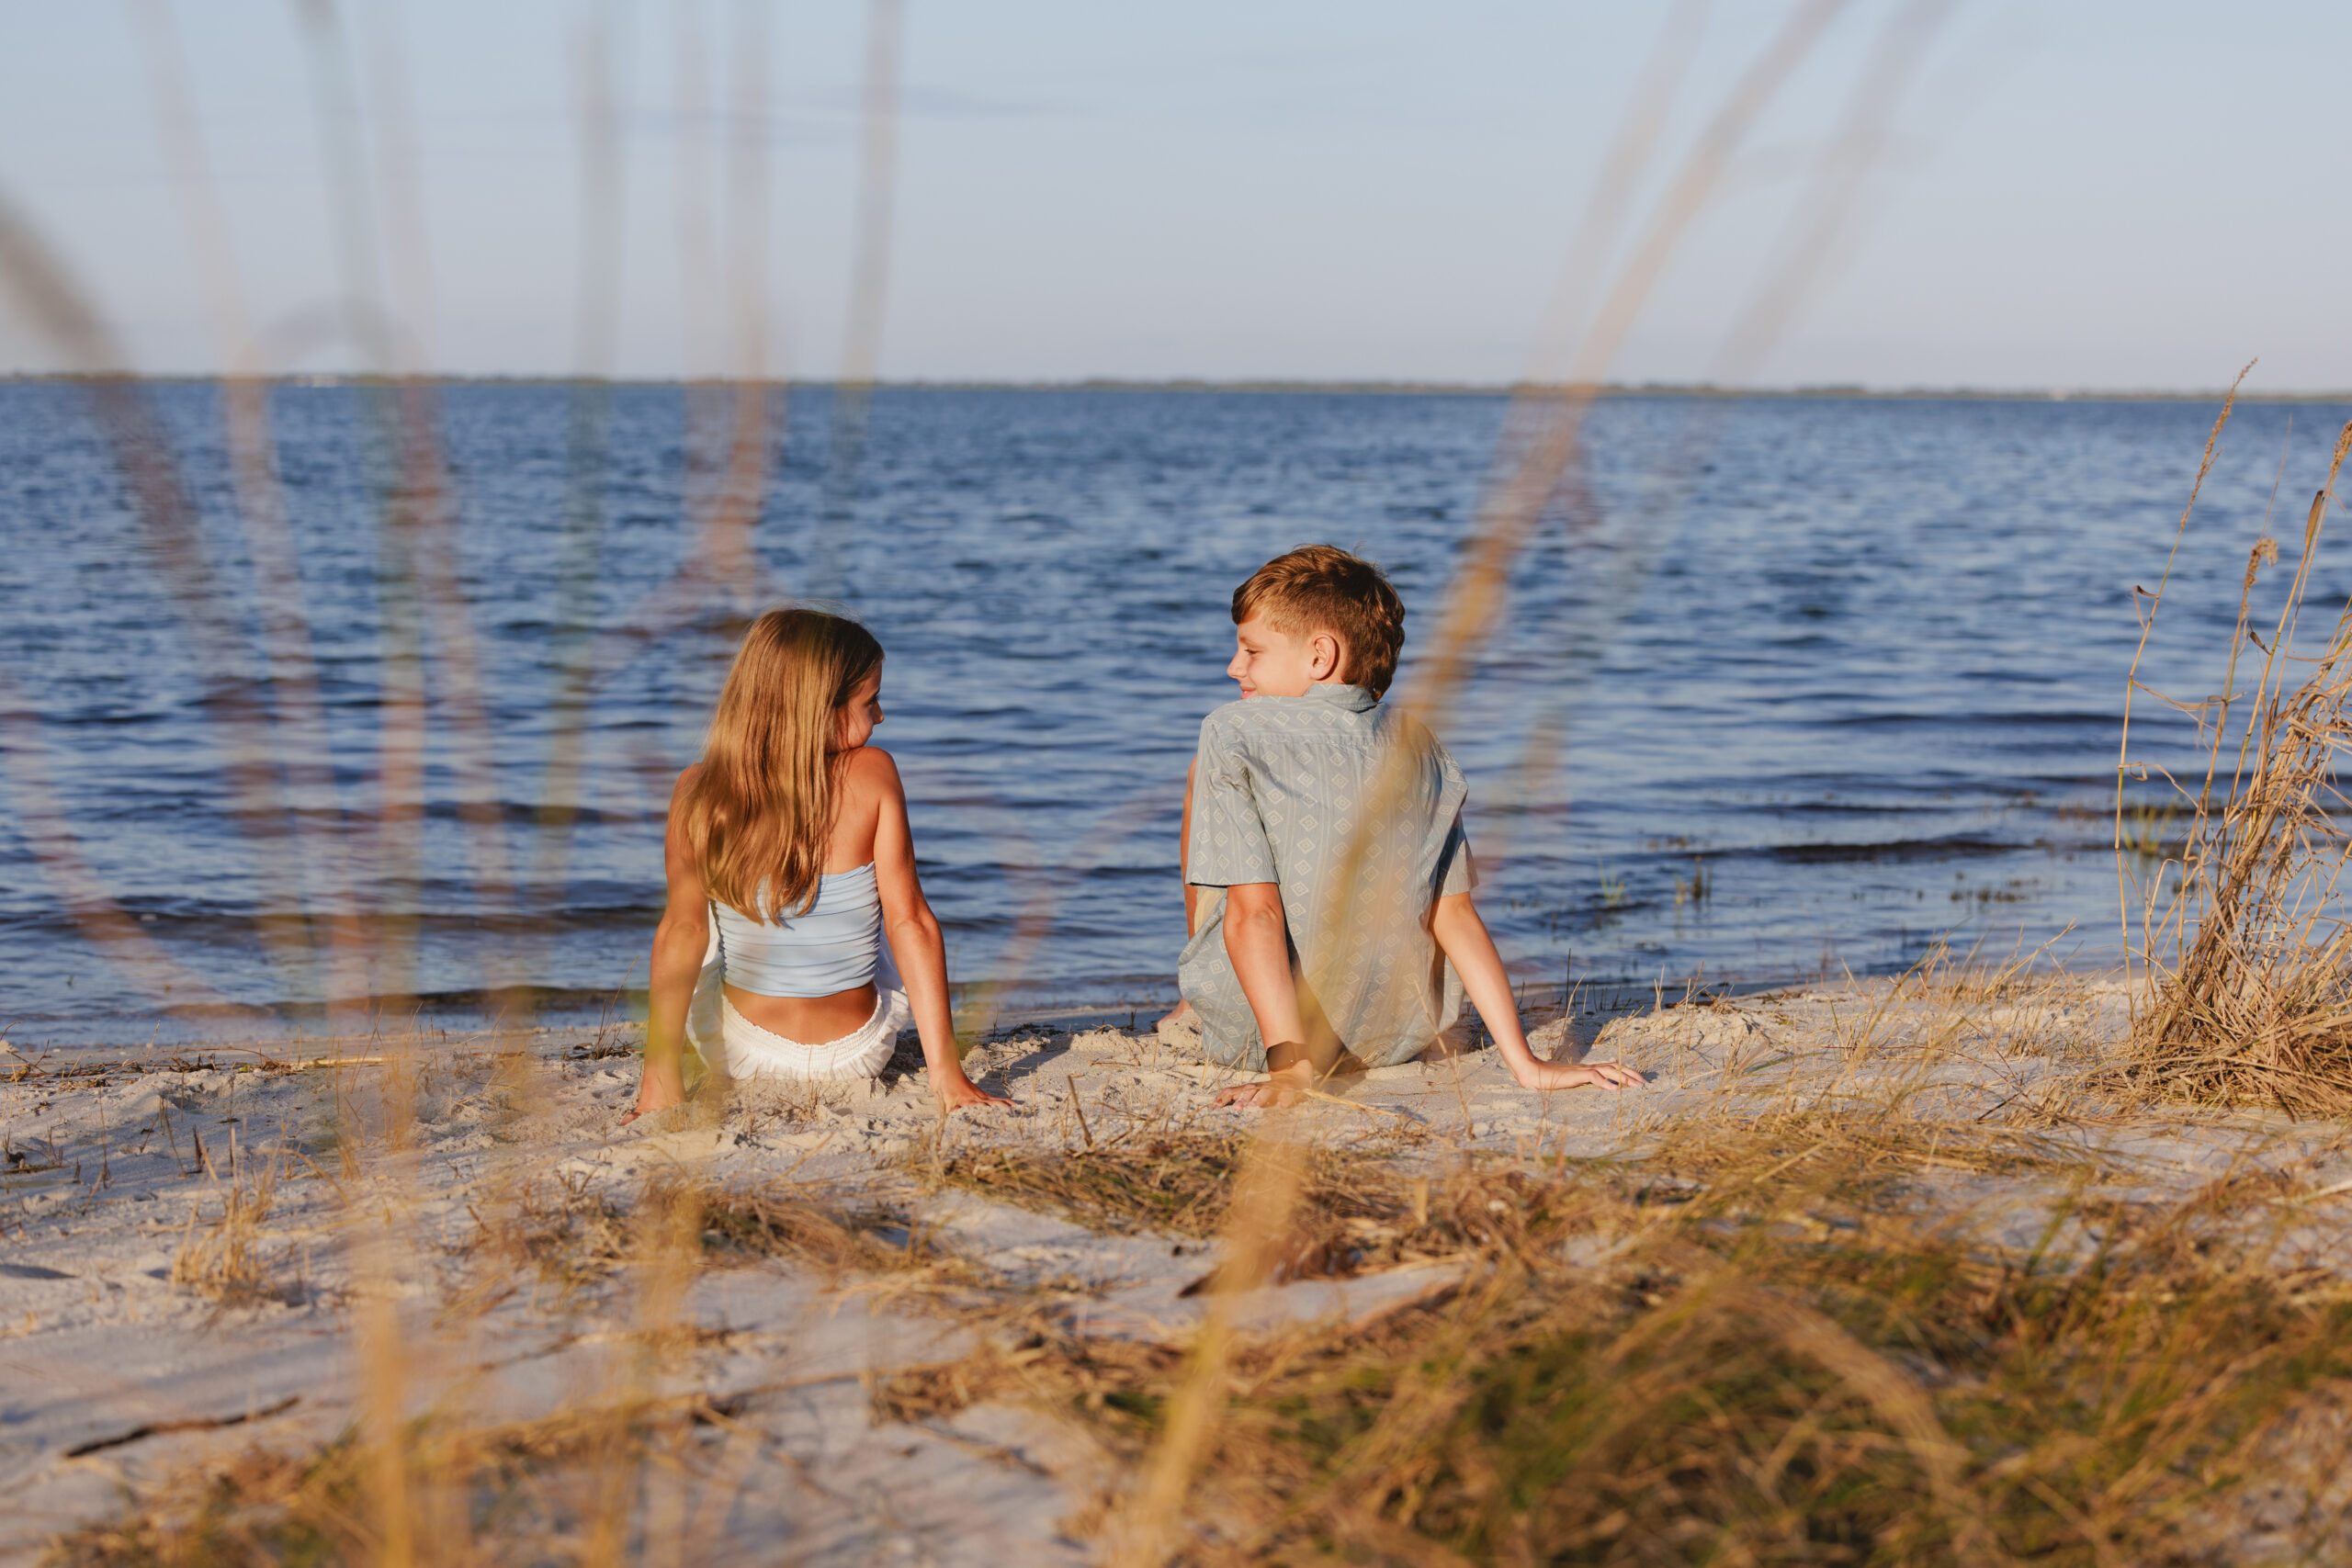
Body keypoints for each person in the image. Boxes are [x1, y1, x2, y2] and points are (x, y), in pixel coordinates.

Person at [1165, 545, 1641, 1108]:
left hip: (1270, 1040)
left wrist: (1291, 1072)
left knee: (1206, 783)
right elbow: (1455, 915)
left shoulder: (1232, 731)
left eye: (1251, 650)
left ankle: (1194, 1004)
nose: (1233, 667)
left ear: (1319, 656)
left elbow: (1254, 914)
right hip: (1398, 1038)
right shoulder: (1420, 743)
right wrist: (1527, 1064)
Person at [626, 608, 1010, 1121]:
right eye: (870, 702)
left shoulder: (697, 790)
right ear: (822, 711)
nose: (880, 717)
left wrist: (658, 1083)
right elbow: (909, 921)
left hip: (737, 1053)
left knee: (692, 923)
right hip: (857, 1055)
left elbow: (681, 932)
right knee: (894, 910)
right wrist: (947, 1074)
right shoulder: (874, 774)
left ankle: (662, 1078)